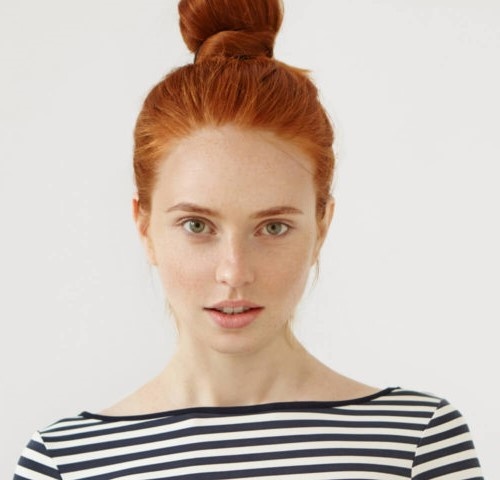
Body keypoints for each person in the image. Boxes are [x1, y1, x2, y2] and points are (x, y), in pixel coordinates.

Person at [14, 0, 483, 478]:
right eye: (197, 226)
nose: (234, 272)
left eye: (273, 227)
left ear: (322, 226)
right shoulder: (64, 461)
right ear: (144, 226)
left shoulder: (416, 442)